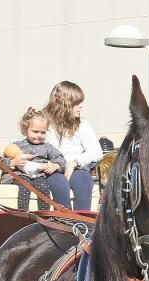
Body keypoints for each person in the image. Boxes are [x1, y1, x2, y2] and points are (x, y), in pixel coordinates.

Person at [43, 81, 103, 211]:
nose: (80, 106)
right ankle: (64, 223)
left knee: (83, 181)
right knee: (59, 183)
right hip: (53, 170)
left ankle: (83, 224)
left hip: (77, 169)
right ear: (63, 103)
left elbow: (97, 151)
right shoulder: (45, 124)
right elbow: (30, 140)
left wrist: (74, 163)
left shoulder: (82, 124)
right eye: (76, 103)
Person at [4, 107, 66, 210]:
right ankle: (23, 214)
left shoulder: (47, 147)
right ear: (25, 129)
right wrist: (14, 162)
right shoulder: (18, 145)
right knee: (25, 186)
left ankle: (44, 215)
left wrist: (55, 165)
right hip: (21, 175)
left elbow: (60, 159)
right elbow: (3, 161)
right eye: (35, 131)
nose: (39, 135)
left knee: (44, 187)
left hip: (39, 175)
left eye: (43, 132)